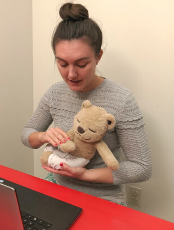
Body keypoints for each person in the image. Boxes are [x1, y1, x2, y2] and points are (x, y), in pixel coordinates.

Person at [21, 2, 152, 205]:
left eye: (81, 64)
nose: (71, 74)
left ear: (98, 56)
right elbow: (26, 134)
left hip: (104, 198)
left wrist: (84, 175)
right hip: (58, 191)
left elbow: (141, 167)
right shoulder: (55, 93)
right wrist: (43, 135)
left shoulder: (122, 100)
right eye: (62, 63)